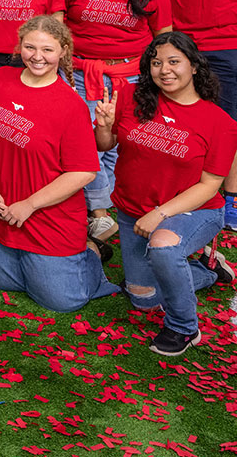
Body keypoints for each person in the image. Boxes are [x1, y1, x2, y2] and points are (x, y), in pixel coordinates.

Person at [94, 32, 237, 355]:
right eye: (156, 63)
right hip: (133, 211)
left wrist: (161, 213)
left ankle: (183, 328)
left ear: (195, 66)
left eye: (174, 62)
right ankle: (206, 269)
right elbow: (107, 146)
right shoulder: (132, 95)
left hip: (192, 210)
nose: (164, 70)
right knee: (143, 298)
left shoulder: (220, 122)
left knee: (163, 248)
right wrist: (103, 126)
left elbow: (210, 185)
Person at [0, 14, 119, 311]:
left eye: (47, 50)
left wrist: (30, 204)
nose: (37, 57)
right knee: (0, 279)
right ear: (19, 47)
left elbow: (84, 171)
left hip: (45, 215)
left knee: (61, 300)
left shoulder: (71, 105)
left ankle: (90, 251)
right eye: (30, 47)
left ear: (63, 51)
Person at [65, 0, 171, 241]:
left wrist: (159, 77)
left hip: (132, 75)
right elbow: (57, 22)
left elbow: (164, 36)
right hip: (82, 73)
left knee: (117, 142)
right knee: (86, 140)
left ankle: (106, 204)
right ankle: (99, 212)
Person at [149, 0, 237, 226]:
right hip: (182, 42)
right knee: (174, 120)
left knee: (228, 121)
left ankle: (230, 197)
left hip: (229, 40)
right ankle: (177, 191)